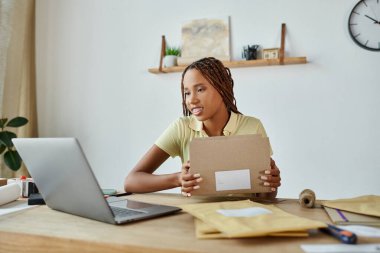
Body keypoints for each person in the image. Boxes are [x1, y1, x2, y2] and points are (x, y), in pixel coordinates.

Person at [124, 57, 281, 199]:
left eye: (200, 89)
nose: (191, 100)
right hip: (195, 220)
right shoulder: (182, 128)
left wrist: (271, 184)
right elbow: (131, 181)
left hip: (243, 219)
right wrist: (178, 179)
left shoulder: (252, 127)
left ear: (221, 88)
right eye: (187, 93)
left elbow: (265, 196)